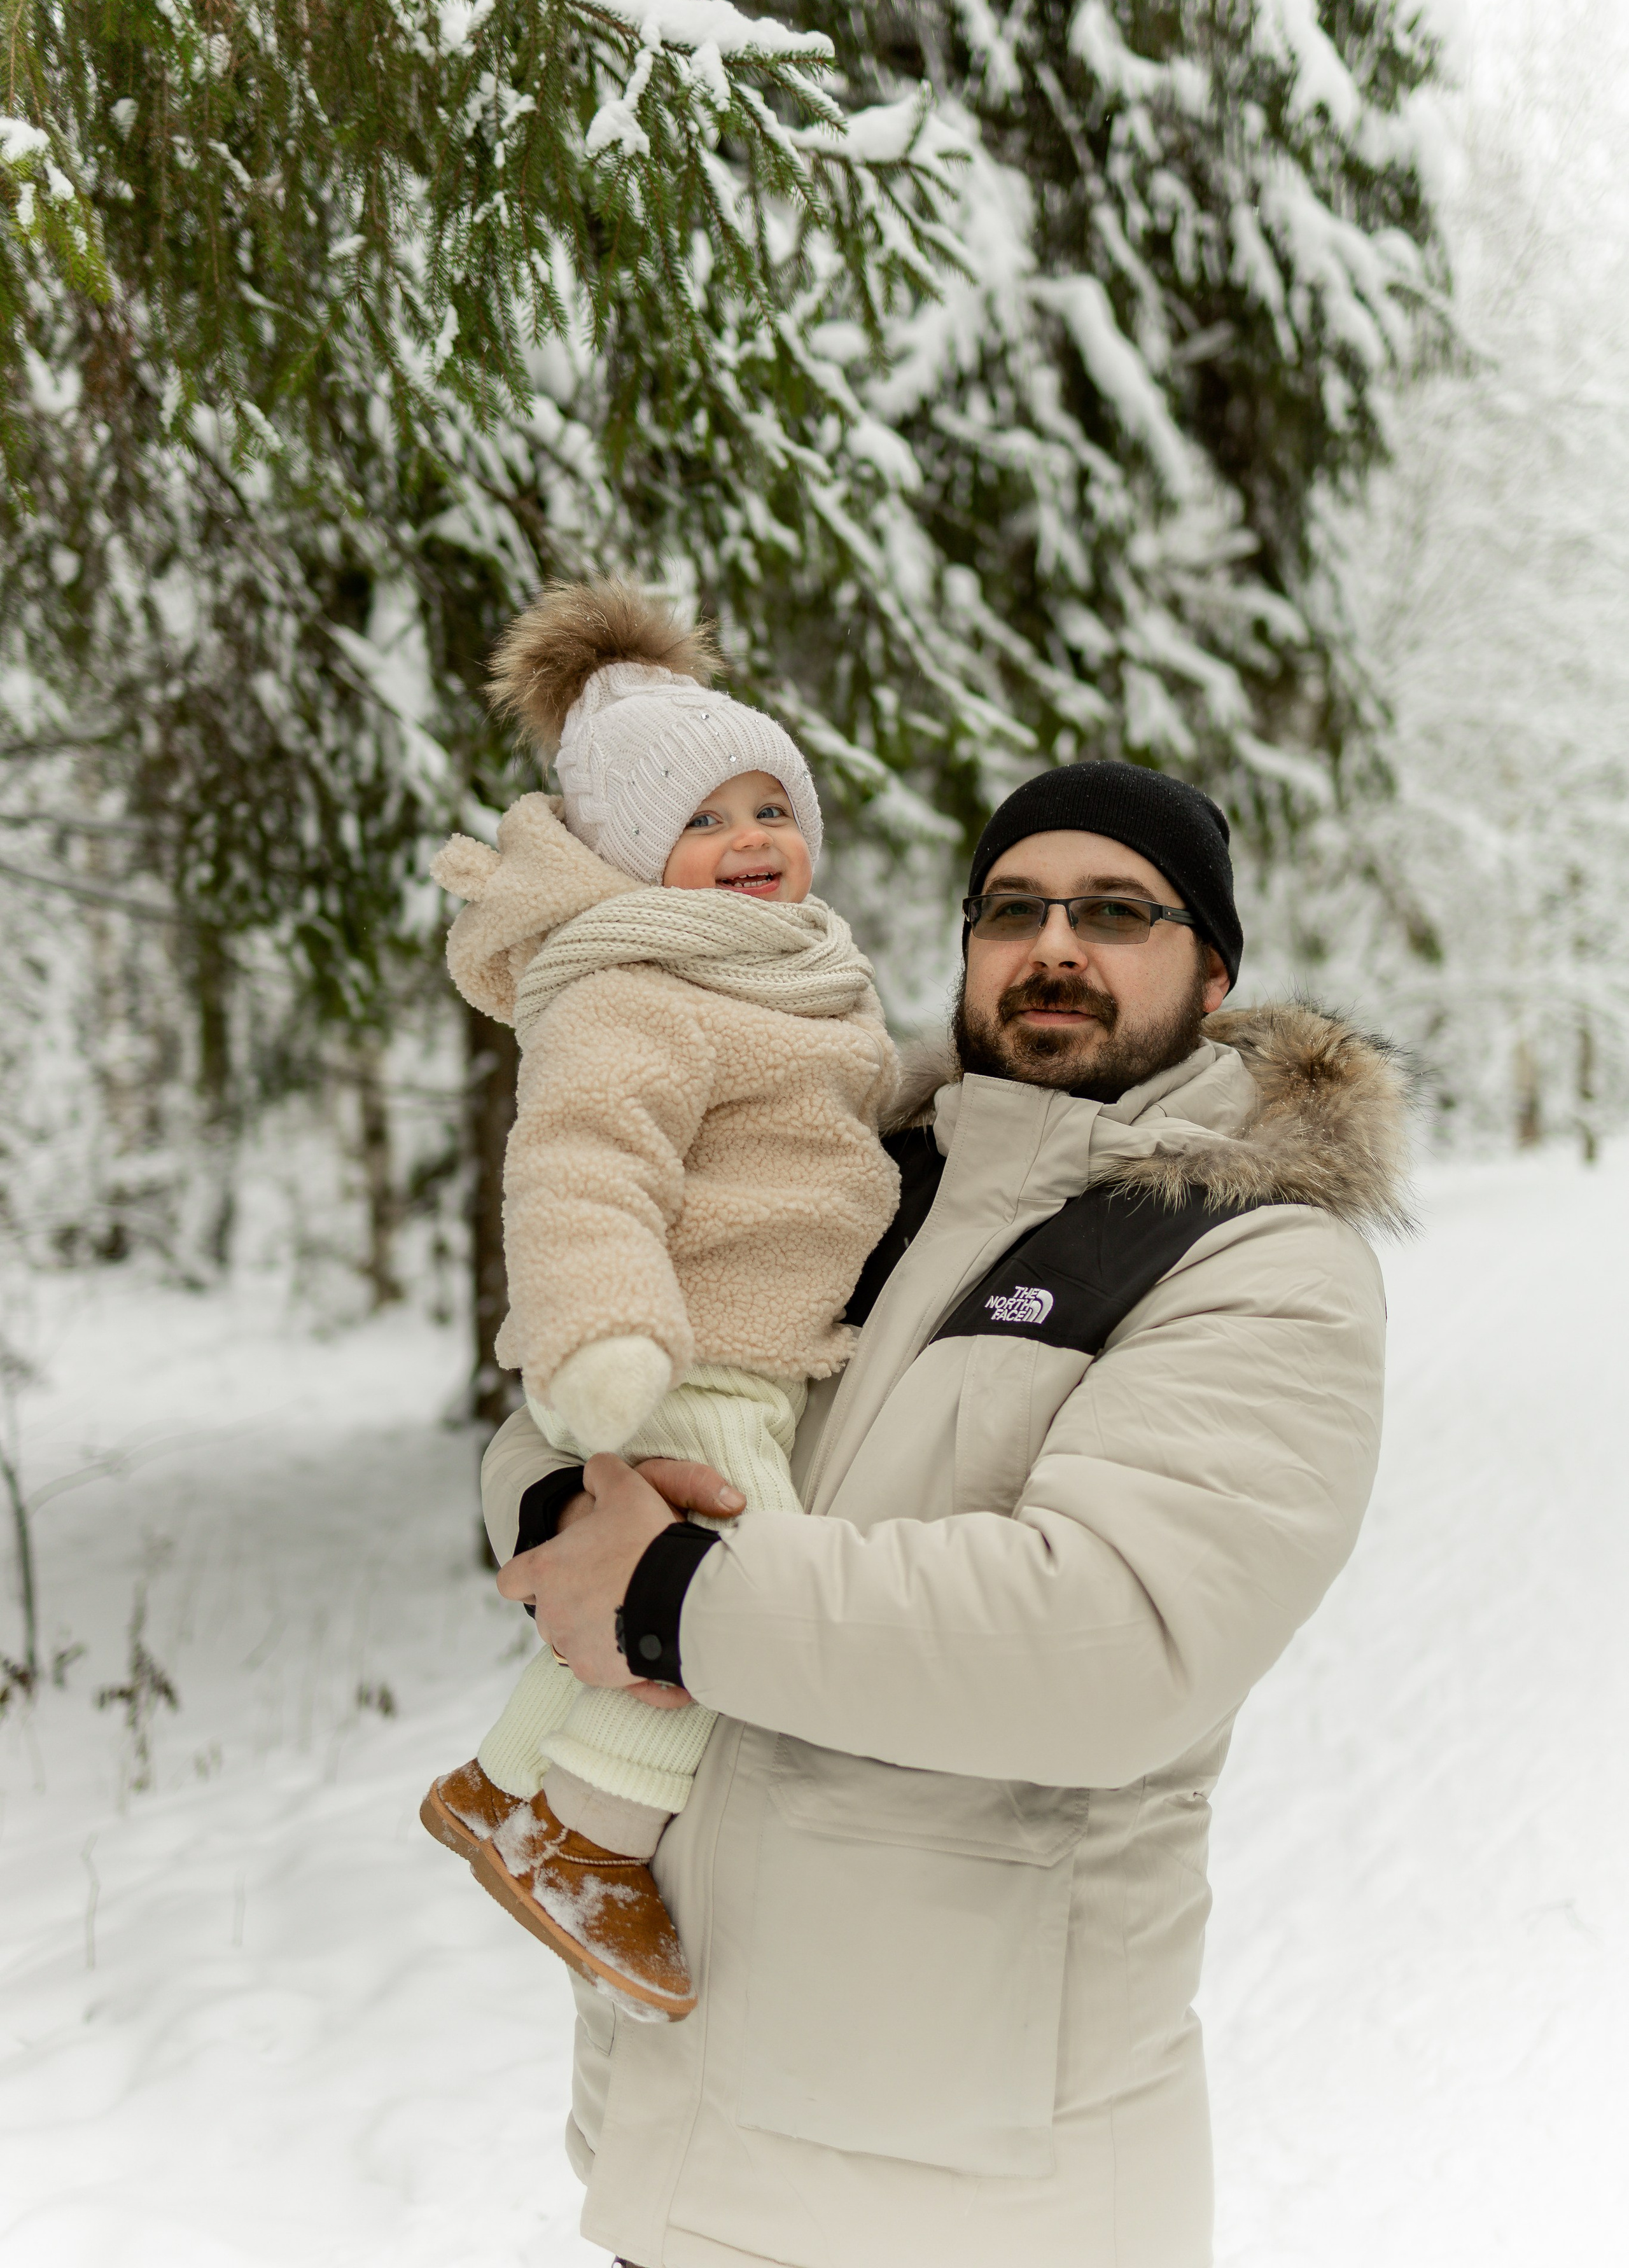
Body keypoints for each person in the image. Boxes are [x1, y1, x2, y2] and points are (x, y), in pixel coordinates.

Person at [480, 756, 1413, 2268]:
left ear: (1214, 968)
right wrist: (555, 1503)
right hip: (682, 2126)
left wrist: (666, 1596)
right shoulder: (845, 1178)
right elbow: (586, 1407)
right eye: (1011, 908)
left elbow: (1108, 1644)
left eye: (1116, 910)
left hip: (971, 2196)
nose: (1054, 946)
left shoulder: (1252, 1264)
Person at [419, 581, 898, 2021]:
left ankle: (496, 1787)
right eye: (701, 822)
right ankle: (584, 1839)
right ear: (632, 856)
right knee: (713, 1614)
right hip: (692, 1357)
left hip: (769, 1350)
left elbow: (853, 1114)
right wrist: (598, 1335)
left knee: (664, 1595)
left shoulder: (798, 972)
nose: (751, 840)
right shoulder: (636, 990)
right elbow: (581, 1167)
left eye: (768, 807)